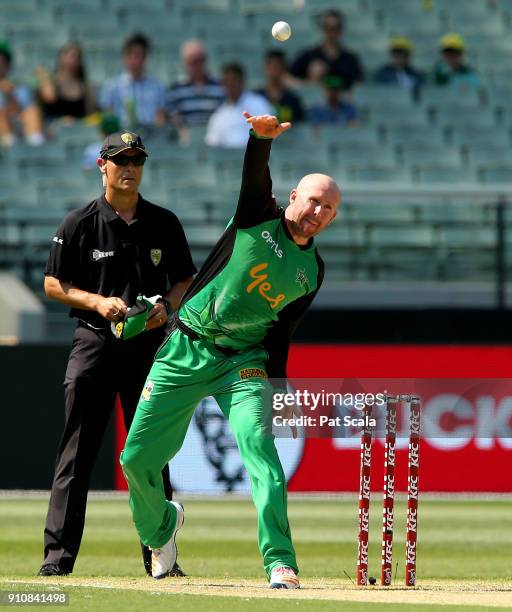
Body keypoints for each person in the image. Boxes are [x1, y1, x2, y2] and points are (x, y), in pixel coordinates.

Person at [120, 112, 341, 589]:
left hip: (244, 364)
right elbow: (255, 175)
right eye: (314, 201)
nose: (318, 212)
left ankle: (280, 562)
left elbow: (281, 333)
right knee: (135, 460)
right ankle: (162, 528)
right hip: (186, 346)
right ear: (294, 197)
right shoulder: (257, 215)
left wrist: (278, 391)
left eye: (328, 209)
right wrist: (259, 140)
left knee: (261, 451)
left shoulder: (312, 272)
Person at [39, 130, 196, 577]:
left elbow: (185, 278)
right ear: (101, 165)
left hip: (149, 347)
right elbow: (53, 284)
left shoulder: (164, 222)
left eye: (136, 160)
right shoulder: (79, 222)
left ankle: (160, 558)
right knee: (77, 454)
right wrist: (96, 301)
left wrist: (168, 305)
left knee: (150, 456)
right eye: (120, 160)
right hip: (95, 342)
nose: (129, 168)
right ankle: (57, 560)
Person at [99, 34, 166, 129]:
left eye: (141, 55)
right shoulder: (112, 86)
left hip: (151, 137)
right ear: (125, 57)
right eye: (133, 55)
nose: (137, 60)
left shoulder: (158, 87)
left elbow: (160, 119)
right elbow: (109, 119)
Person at [289, 10, 363, 90]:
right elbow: (287, 78)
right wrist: (310, 83)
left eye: (335, 28)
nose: (331, 33)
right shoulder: (310, 55)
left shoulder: (350, 59)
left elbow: (358, 85)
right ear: (322, 29)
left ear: (341, 30)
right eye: (327, 28)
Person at [205, 63, 273, 148]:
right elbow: (213, 146)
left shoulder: (259, 103)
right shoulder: (218, 116)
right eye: (227, 81)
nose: (230, 85)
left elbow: (269, 135)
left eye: (233, 80)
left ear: (242, 81)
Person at [167, 40, 224, 128]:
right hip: (187, 137)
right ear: (185, 63)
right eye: (193, 61)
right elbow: (175, 118)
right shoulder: (177, 89)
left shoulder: (220, 86)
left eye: (200, 60)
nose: (197, 65)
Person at [0, 40, 45, 147]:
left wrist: (10, 95)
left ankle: (35, 143)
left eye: (2, 62)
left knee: (32, 110)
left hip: (17, 126)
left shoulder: (19, 89)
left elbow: (22, 110)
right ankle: (9, 145)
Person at [36, 42, 96, 122]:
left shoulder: (84, 87)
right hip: (54, 128)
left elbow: (90, 114)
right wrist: (43, 76)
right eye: (70, 55)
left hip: (79, 129)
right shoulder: (51, 81)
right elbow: (49, 97)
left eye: (77, 57)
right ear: (61, 57)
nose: (73, 60)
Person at [255, 50, 305, 124]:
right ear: (266, 68)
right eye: (272, 66)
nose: (275, 70)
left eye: (278, 66)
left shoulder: (293, 100)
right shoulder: (256, 97)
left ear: (284, 68)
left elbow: (298, 125)